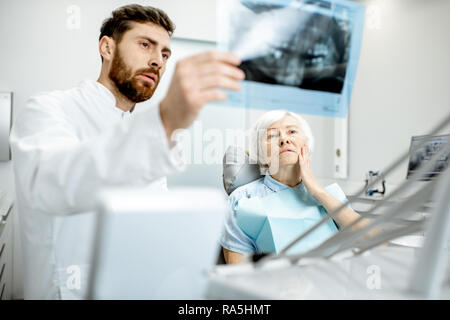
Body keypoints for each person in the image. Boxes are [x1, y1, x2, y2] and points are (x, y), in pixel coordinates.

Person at [10, 4, 244, 299]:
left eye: (165, 54)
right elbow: (54, 183)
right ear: (107, 47)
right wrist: (164, 121)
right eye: (145, 44)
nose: (157, 61)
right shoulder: (48, 110)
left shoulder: (144, 133)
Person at [220, 110, 377, 264]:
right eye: (272, 135)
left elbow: (376, 242)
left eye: (292, 131)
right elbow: (238, 275)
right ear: (261, 155)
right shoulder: (241, 200)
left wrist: (318, 192)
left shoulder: (329, 196)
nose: (284, 140)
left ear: (306, 146)